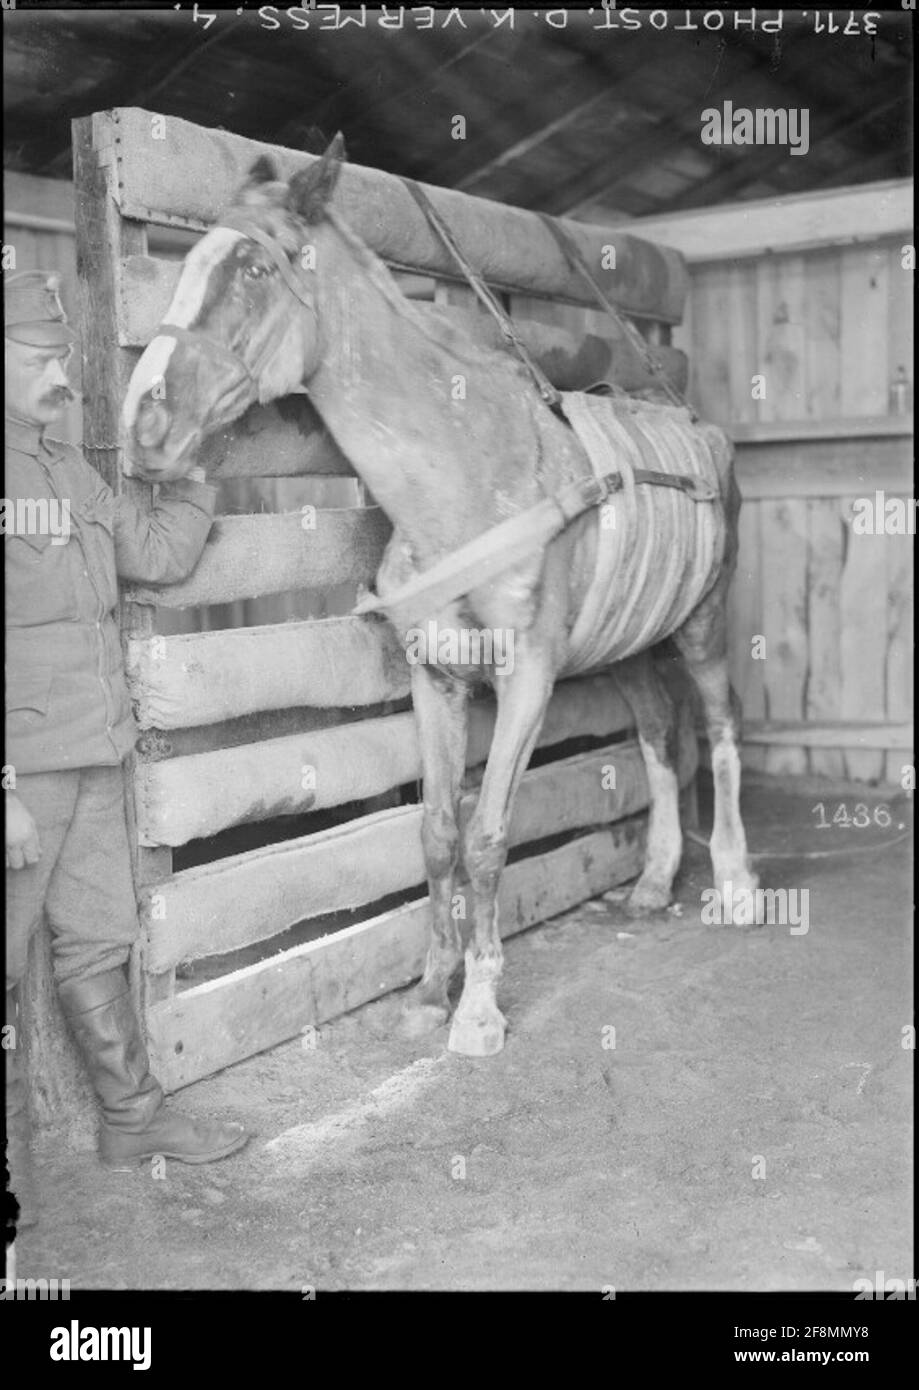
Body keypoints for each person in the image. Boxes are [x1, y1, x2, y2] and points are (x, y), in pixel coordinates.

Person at [5, 270, 249, 1230]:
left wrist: (191, 464)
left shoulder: (67, 468)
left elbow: (150, 550)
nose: (59, 374)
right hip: (24, 770)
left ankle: (131, 1120)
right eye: (37, 359)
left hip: (94, 755)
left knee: (99, 939)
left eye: (60, 357)